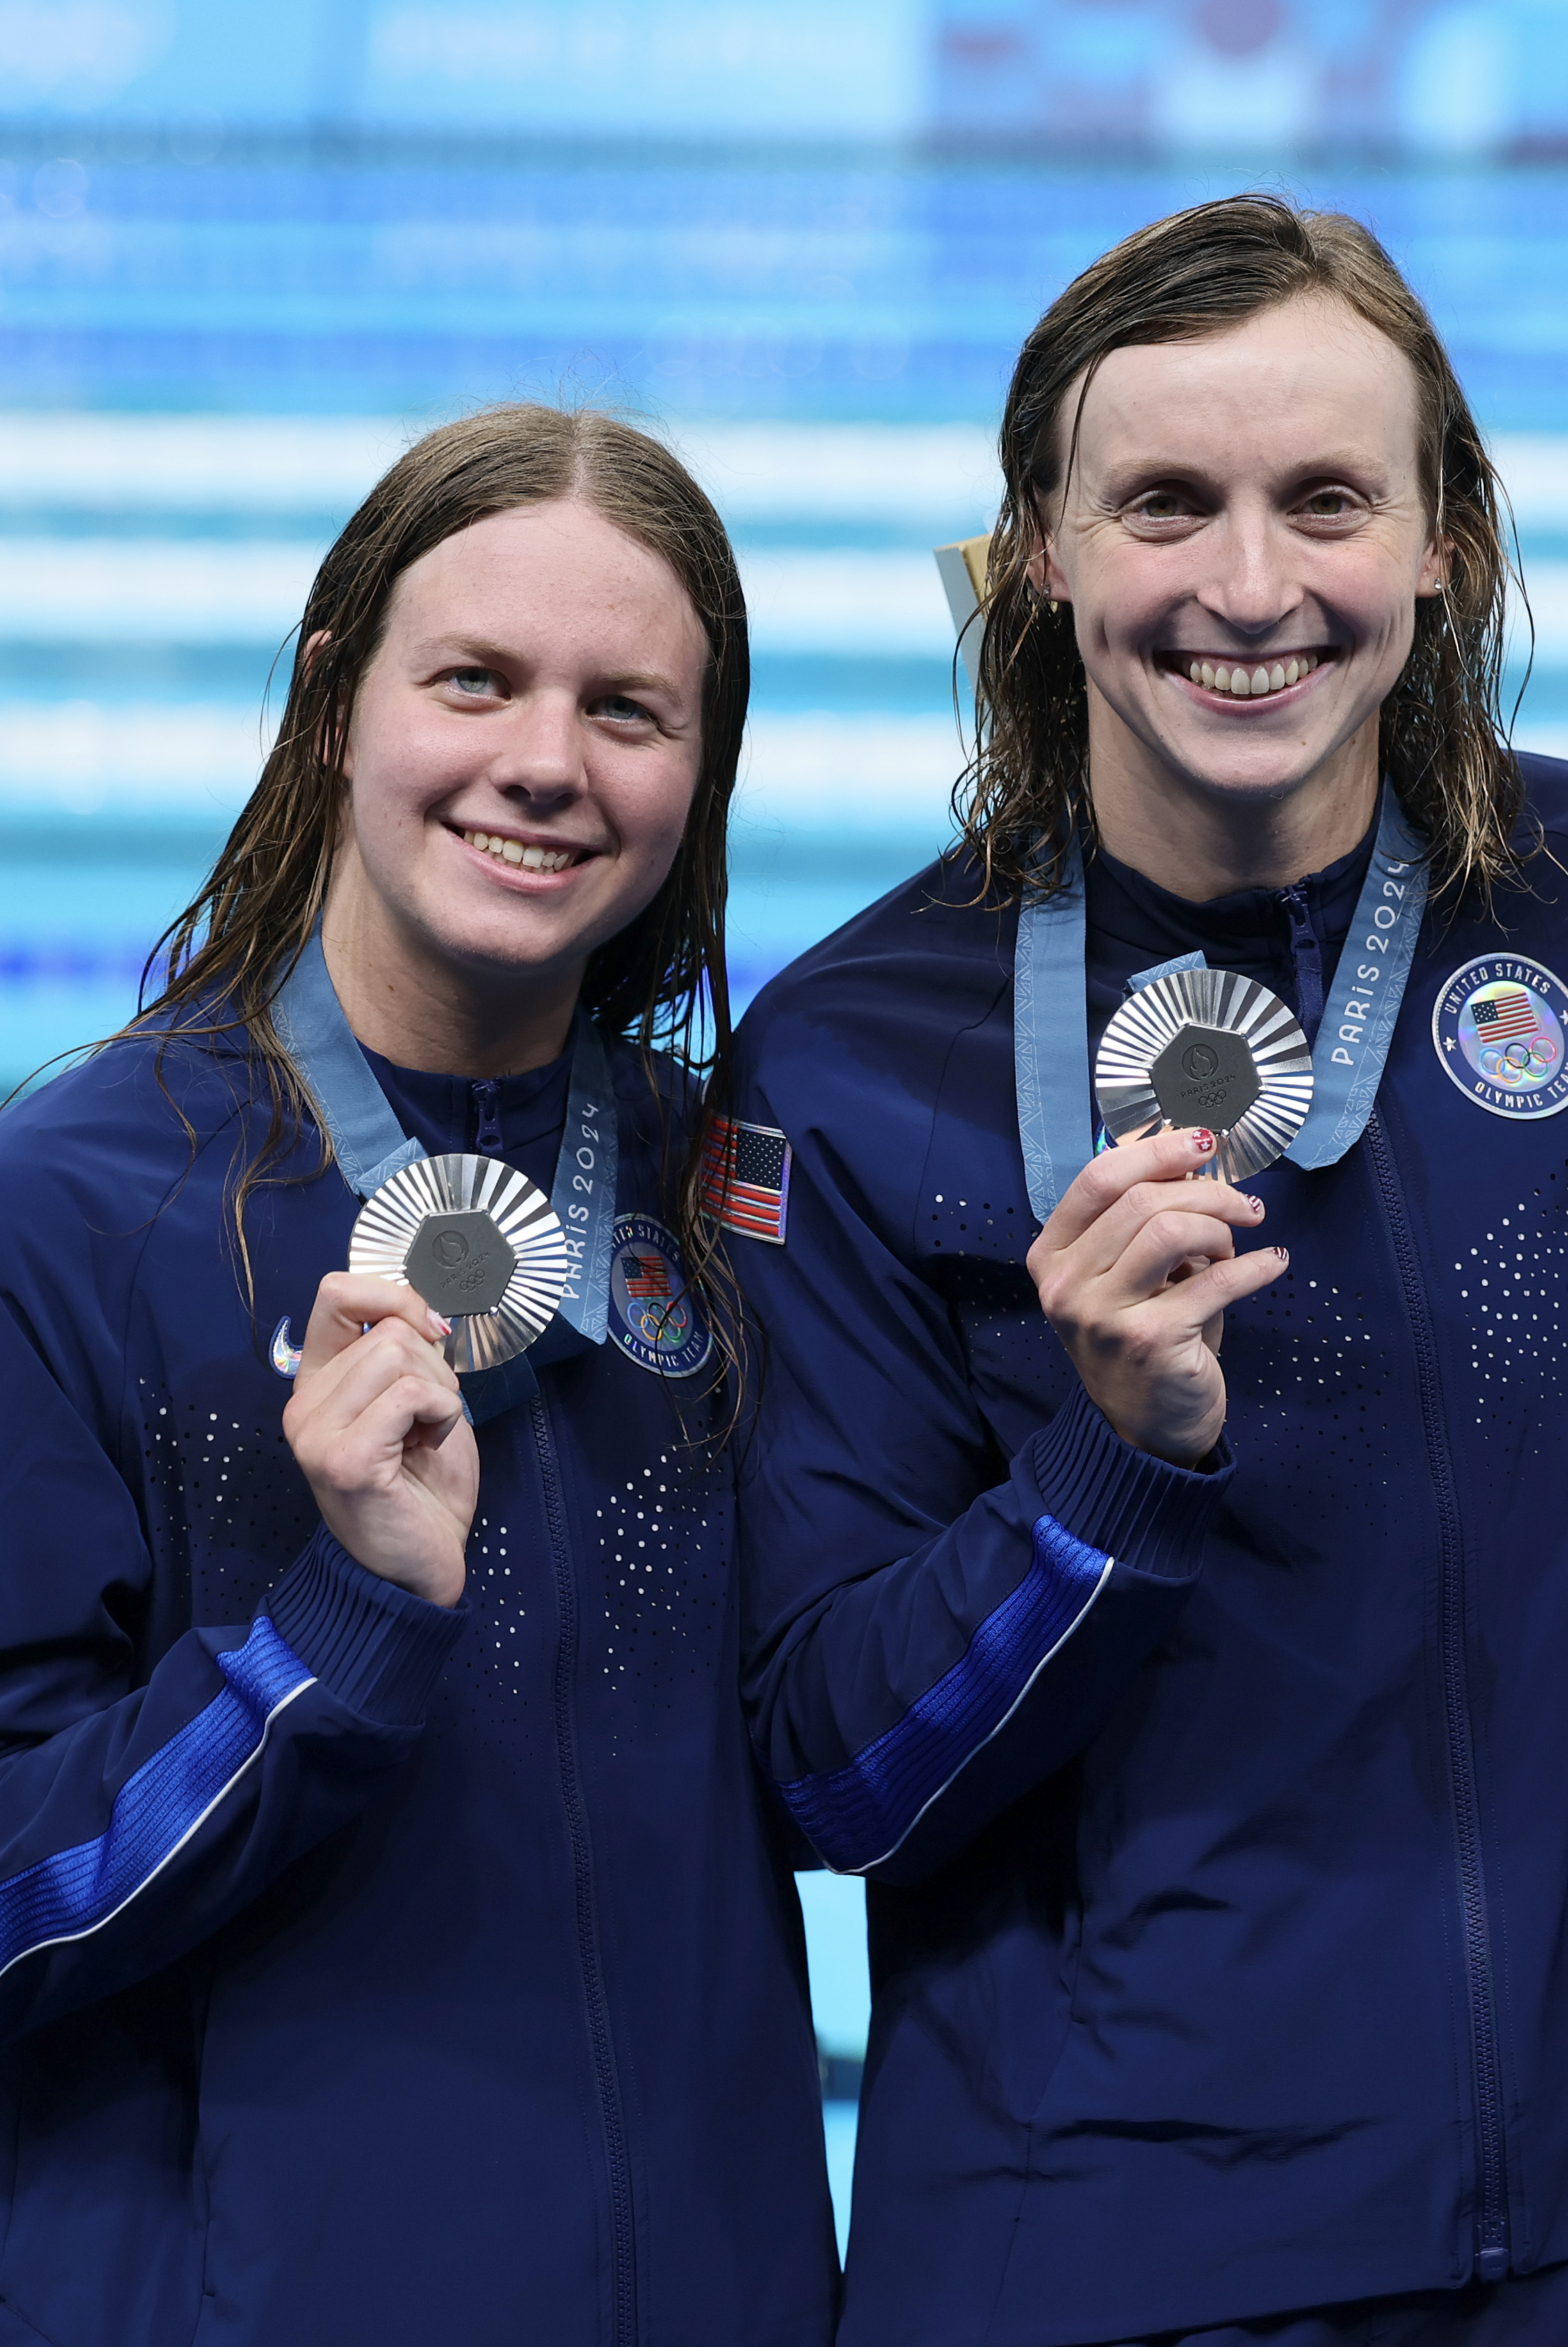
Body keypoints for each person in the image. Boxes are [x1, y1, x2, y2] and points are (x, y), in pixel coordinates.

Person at [721, 195, 1568, 2345]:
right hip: (1102, 2250)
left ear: (1444, 541)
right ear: (1041, 545)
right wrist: (1096, 1483)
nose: (1249, 586)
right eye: (1166, 504)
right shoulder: (852, 1055)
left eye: (1325, 501)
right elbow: (830, 1771)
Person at [0, 406, 833, 2342]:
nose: (544, 763)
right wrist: (340, 1624)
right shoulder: (79, 1211)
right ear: (334, 702)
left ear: (701, 773)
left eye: (629, 709)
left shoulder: (735, 1201)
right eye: (475, 681)